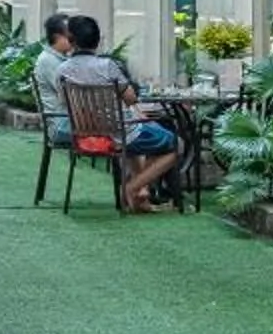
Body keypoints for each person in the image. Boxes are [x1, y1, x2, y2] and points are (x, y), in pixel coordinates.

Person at [50, 15, 181, 211]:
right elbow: (130, 98)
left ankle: (140, 196)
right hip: (120, 132)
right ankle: (132, 187)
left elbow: (64, 103)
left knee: (139, 139)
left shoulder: (62, 71)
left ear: (71, 40)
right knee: (174, 143)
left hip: (86, 136)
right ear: (97, 40)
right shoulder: (108, 66)